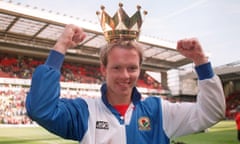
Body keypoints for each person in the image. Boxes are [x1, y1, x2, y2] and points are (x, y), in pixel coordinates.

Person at [25, 24, 226, 144]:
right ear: (103, 69)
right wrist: (61, 46)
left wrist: (201, 61)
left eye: (132, 68)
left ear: (140, 69)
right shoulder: (85, 111)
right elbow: (41, 110)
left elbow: (211, 113)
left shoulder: (159, 111)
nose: (125, 75)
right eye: (116, 67)